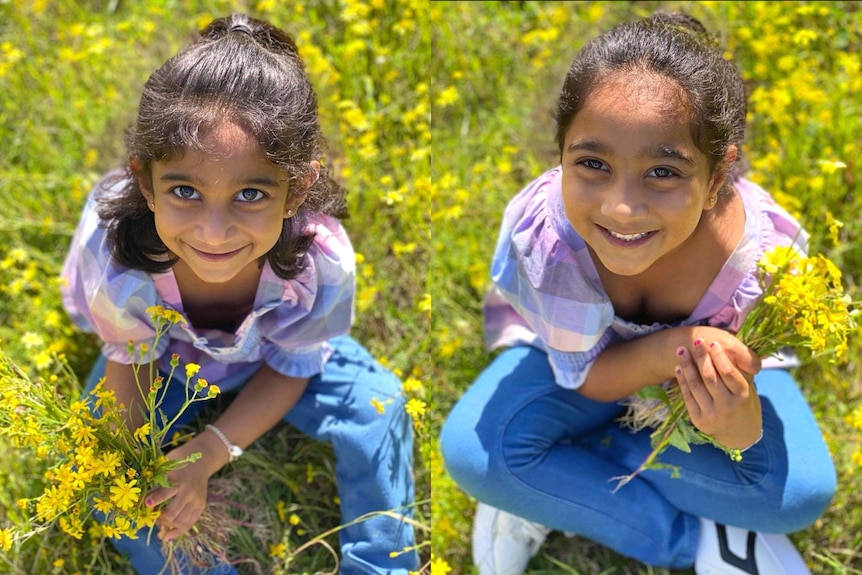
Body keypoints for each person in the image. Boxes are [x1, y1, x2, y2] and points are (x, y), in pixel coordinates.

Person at [440, 11, 836, 575]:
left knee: (798, 494)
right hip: (578, 361)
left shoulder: (768, 262)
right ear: (560, 154)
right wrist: (674, 346)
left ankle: (563, 478)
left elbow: (747, 407)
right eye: (593, 164)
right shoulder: (550, 243)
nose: (622, 208)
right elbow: (586, 375)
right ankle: (695, 543)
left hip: (702, 391)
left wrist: (738, 424)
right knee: (475, 455)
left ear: (718, 175)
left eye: (665, 173)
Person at [60, 13, 417, 575]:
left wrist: (212, 450)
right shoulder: (117, 256)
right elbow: (130, 363)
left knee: (379, 409)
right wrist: (139, 471)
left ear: (297, 188)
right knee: (109, 490)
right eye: (185, 191)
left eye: (251, 192)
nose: (214, 231)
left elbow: (296, 363)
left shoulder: (319, 260)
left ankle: (382, 564)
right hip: (159, 365)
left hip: (277, 356)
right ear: (144, 182)